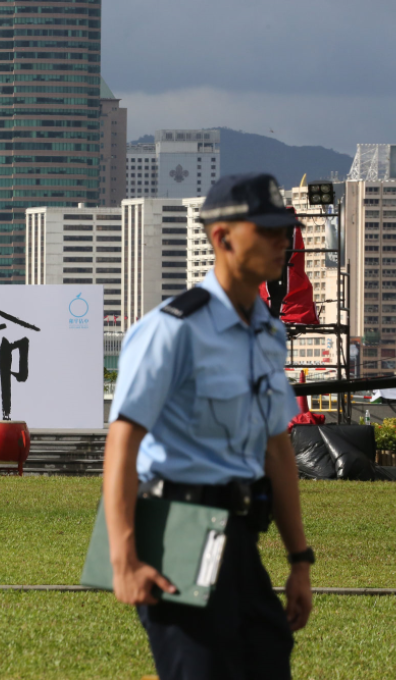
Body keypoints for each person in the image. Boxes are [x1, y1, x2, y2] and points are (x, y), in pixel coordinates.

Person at [103, 173, 314, 680]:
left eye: (285, 229)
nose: (282, 241)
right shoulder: (171, 330)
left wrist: (299, 559)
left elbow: (277, 449)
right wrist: (123, 557)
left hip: (241, 535)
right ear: (222, 237)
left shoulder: (266, 334)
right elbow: (122, 444)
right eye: (266, 230)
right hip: (179, 529)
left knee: (268, 660)